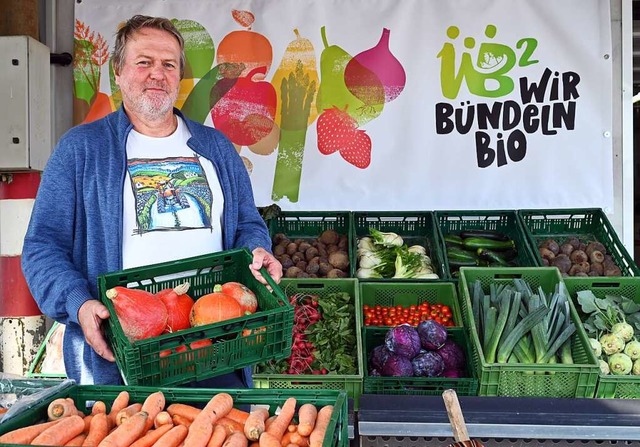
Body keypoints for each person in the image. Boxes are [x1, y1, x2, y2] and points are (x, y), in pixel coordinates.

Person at [21, 15, 282, 387]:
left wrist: (257, 250)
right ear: (118, 71)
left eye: (168, 64)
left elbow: (247, 225)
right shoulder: (81, 150)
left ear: (178, 76)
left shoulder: (216, 148)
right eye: (144, 62)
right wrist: (78, 303)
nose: (157, 74)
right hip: (119, 358)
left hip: (216, 344)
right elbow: (43, 246)